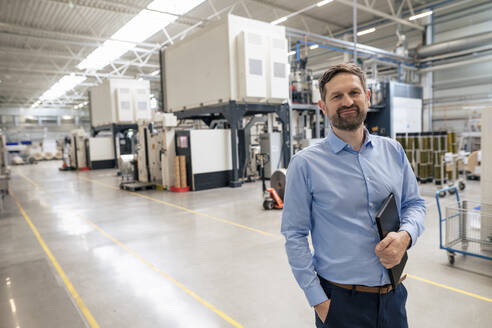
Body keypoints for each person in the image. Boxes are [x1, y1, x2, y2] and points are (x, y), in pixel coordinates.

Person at [281, 63, 426, 328]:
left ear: (367, 97)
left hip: (393, 296)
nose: (347, 101)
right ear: (323, 106)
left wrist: (405, 236)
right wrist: (319, 301)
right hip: (340, 304)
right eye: (336, 96)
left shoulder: (393, 151)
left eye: (354, 92)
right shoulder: (305, 164)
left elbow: (415, 204)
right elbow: (294, 235)